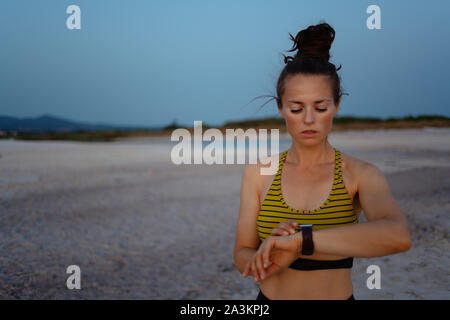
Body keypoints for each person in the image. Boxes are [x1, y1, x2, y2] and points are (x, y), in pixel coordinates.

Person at [233, 22, 411, 300]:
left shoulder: (360, 174)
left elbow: (398, 236)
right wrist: (266, 255)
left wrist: (301, 242)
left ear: (336, 105)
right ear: (280, 107)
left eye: (320, 107)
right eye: (296, 108)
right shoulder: (258, 172)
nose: (308, 119)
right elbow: (242, 254)